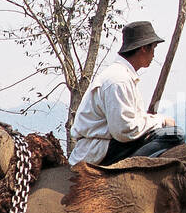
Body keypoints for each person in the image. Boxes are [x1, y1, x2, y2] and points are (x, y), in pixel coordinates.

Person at [68, 20, 177, 165]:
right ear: (144, 48)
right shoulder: (118, 80)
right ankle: (129, 168)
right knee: (175, 136)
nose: (153, 55)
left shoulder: (122, 76)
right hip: (99, 149)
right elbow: (124, 130)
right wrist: (161, 121)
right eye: (153, 49)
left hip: (105, 143)